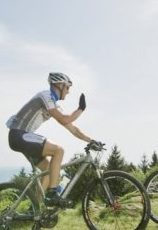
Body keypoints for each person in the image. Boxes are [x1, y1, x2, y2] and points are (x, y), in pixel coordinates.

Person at [6, 72, 98, 208]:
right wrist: (80, 109)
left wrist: (91, 141)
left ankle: (35, 210)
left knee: (49, 171)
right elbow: (64, 119)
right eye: (67, 88)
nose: (68, 92)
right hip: (19, 135)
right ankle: (52, 194)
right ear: (60, 85)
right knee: (58, 150)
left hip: (22, 138)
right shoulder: (46, 96)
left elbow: (73, 129)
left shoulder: (53, 105)